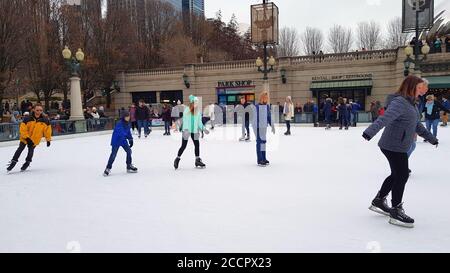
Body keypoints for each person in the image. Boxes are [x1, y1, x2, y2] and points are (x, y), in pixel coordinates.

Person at [363, 75, 439, 228]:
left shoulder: (412, 104)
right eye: (419, 88)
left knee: (397, 174)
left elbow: (417, 125)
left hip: (398, 144)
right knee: (402, 174)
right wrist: (369, 132)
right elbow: (384, 119)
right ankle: (396, 211)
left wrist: (431, 138)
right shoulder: (400, 102)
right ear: (411, 87)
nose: (423, 91)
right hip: (393, 145)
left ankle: (379, 200)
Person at [7, 104, 52, 172]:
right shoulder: (27, 118)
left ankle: (27, 162)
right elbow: (23, 129)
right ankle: (13, 161)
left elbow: (47, 130)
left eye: (41, 110)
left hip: (34, 139)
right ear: (33, 109)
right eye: (37, 110)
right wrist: (27, 138)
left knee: (30, 151)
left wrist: (48, 140)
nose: (39, 112)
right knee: (20, 149)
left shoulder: (45, 120)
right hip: (25, 138)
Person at [173, 95, 208, 170]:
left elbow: (199, 122)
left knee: (197, 145)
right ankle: (177, 159)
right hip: (186, 130)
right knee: (183, 146)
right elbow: (184, 119)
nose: (196, 104)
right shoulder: (187, 110)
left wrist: (203, 129)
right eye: (195, 102)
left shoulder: (197, 111)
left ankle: (197, 160)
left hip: (194, 130)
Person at [103, 110, 137, 176]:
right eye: (127, 116)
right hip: (116, 141)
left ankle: (129, 165)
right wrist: (126, 137)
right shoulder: (119, 123)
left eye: (129, 116)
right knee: (113, 155)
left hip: (123, 140)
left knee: (129, 151)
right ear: (123, 117)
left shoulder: (127, 123)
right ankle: (108, 168)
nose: (128, 117)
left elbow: (128, 132)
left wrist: (130, 139)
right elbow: (121, 133)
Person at [251, 91, 276, 167]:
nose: (267, 99)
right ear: (262, 98)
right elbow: (254, 119)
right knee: (259, 143)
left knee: (263, 142)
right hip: (258, 127)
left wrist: (272, 126)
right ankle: (260, 159)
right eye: (266, 98)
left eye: (267, 98)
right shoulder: (257, 106)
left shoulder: (267, 106)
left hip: (264, 127)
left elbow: (269, 117)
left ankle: (264, 158)